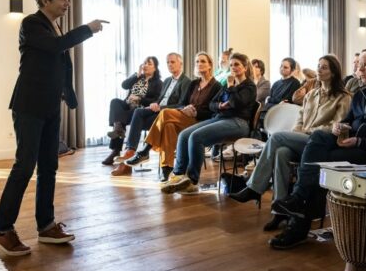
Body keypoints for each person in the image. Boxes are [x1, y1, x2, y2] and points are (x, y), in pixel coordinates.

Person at [0, 0, 107, 256]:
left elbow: (61, 64)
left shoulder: (54, 25)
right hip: (29, 105)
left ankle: (46, 224)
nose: (67, 2)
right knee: (24, 166)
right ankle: (3, 229)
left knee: (48, 167)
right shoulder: (31, 23)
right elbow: (57, 47)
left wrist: (69, 94)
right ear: (45, 1)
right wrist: (88, 29)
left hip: (51, 105)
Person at [269, 50, 366, 249]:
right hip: (348, 143)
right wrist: (339, 127)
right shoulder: (361, 95)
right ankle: (299, 202)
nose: (359, 69)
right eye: (359, 65)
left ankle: (299, 216)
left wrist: (360, 141)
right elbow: (348, 121)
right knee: (319, 137)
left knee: (321, 164)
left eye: (365, 65)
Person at [229, 55, 351, 230]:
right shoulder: (311, 95)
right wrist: (299, 131)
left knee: (277, 137)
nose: (319, 70)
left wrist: (307, 132)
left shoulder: (343, 97)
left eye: (324, 67)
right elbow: (299, 121)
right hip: (302, 138)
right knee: (281, 153)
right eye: (318, 66)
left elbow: (336, 128)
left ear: (333, 73)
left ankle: (255, 188)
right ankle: (280, 211)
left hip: (320, 143)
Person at [162, 52, 257, 195]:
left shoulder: (249, 86)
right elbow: (212, 104)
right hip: (220, 118)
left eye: (237, 64)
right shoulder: (227, 85)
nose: (233, 67)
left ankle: (192, 181)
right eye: (231, 65)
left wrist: (231, 87)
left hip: (238, 123)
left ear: (245, 67)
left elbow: (237, 103)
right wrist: (220, 106)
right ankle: (178, 176)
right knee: (184, 135)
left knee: (196, 137)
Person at [124, 52, 221, 181]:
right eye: (197, 62)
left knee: (164, 113)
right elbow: (184, 103)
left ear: (210, 65)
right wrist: (186, 108)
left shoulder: (216, 86)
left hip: (200, 121)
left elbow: (213, 111)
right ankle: (166, 169)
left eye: (203, 61)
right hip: (185, 116)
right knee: (168, 126)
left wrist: (197, 112)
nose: (199, 64)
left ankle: (145, 149)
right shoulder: (194, 84)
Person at [109, 53, 191, 175]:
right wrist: (154, 104)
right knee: (132, 111)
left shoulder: (185, 81)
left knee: (135, 114)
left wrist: (157, 105)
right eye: (168, 62)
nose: (169, 64)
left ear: (181, 63)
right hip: (152, 110)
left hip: (167, 113)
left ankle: (133, 154)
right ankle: (130, 151)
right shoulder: (168, 80)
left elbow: (182, 104)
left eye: (172, 62)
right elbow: (159, 98)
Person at [104, 56, 163, 162]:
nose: (146, 65)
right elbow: (124, 85)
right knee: (115, 102)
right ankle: (119, 129)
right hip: (127, 106)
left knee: (120, 120)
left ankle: (115, 150)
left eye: (149, 64)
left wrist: (139, 99)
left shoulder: (158, 83)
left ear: (155, 68)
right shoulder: (138, 77)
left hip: (140, 110)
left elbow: (156, 101)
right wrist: (137, 74)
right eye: (144, 63)